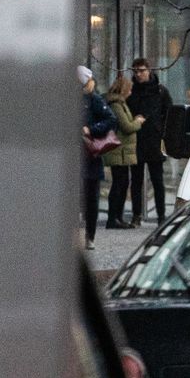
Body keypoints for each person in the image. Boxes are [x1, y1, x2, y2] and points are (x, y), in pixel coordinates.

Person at [127, 57, 173, 223]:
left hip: (154, 140)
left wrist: (163, 133)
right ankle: (136, 215)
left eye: (141, 71)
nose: (138, 74)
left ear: (149, 70)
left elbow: (169, 113)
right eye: (135, 71)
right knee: (136, 180)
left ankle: (161, 215)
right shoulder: (131, 91)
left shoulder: (160, 91)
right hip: (136, 139)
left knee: (157, 180)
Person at [79, 66, 115, 250]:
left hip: (90, 156)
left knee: (91, 200)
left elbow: (111, 119)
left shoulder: (95, 100)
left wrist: (91, 129)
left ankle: (89, 236)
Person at [104, 75, 144, 229]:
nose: (131, 92)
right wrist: (138, 122)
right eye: (130, 89)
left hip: (122, 151)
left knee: (123, 182)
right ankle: (113, 218)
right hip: (118, 151)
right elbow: (126, 126)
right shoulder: (116, 104)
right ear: (124, 89)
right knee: (119, 183)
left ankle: (118, 217)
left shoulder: (121, 103)